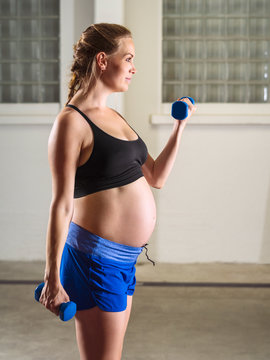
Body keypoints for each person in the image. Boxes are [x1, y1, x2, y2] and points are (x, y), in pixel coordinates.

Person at [39, 23, 196, 360]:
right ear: (102, 60)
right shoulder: (71, 122)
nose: (133, 68)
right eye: (128, 58)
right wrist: (52, 275)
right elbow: (61, 205)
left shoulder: (114, 116)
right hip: (95, 260)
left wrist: (179, 127)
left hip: (125, 261)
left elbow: (156, 177)